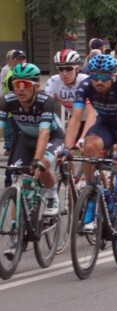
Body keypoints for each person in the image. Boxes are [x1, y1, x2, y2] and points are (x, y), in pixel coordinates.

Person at [59, 54, 117, 258]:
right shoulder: (85, 86)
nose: (98, 81)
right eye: (94, 76)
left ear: (112, 76)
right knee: (89, 146)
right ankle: (92, 193)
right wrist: (67, 147)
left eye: (103, 77)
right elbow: (76, 119)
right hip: (105, 125)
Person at [0, 63, 65, 219]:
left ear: (35, 87)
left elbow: (44, 133)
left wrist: (37, 160)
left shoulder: (46, 102)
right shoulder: (6, 101)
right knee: (17, 176)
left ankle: (51, 196)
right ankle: (17, 230)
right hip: (27, 138)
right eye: (17, 84)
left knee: (41, 165)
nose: (21, 88)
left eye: (26, 84)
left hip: (52, 137)